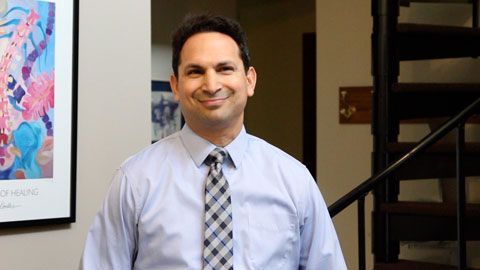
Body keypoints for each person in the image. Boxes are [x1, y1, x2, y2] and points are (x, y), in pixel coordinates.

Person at [80, 14, 346, 269]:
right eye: (195, 72)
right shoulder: (135, 181)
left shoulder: (294, 180)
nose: (211, 84)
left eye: (225, 68)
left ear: (249, 80)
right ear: (175, 86)